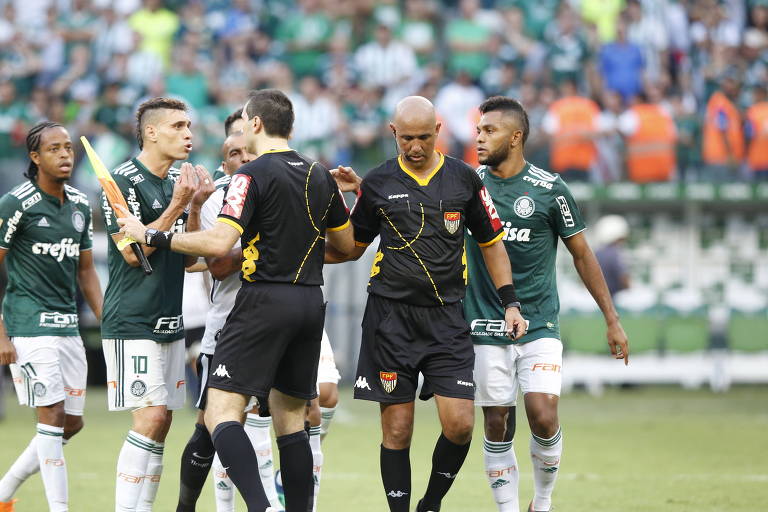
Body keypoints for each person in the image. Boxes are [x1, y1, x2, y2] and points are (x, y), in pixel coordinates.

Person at [118, 88, 353, 512]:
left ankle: (260, 507)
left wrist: (153, 235)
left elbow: (220, 241)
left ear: (256, 125)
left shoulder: (250, 175)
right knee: (292, 422)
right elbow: (348, 243)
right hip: (309, 303)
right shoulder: (319, 173)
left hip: (262, 302)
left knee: (220, 413)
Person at [327, 96, 526, 512]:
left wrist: (511, 303)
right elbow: (351, 247)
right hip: (390, 321)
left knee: (460, 425)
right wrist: (326, 214)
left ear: (438, 130)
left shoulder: (465, 180)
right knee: (397, 431)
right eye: (406, 139)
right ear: (392, 134)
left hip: (447, 320)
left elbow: (492, 245)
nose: (415, 147)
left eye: (423, 137)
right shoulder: (378, 183)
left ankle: (430, 504)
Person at [466, 96, 630, 512]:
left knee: (542, 414)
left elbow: (582, 255)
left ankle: (541, 502)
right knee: (496, 420)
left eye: (489, 131)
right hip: (485, 323)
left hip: (539, 322)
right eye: (478, 130)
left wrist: (612, 320)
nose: (479, 138)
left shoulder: (550, 189)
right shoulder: (470, 186)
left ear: (516, 137)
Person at [100, 97, 214, 512]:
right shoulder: (121, 180)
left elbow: (186, 259)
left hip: (170, 320)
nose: (189, 134)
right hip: (133, 319)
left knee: (162, 422)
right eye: (179, 126)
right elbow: (134, 253)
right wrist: (179, 206)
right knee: (148, 419)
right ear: (151, 132)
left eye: (190, 126)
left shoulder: (173, 185)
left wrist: (195, 207)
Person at [0, 122, 103, 511]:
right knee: (53, 413)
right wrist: (1, 334)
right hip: (28, 325)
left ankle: (2, 493)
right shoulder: (16, 203)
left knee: (71, 423)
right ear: (35, 157)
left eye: (68, 149)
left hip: (67, 326)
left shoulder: (78, 204)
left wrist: (104, 317)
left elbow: (86, 271)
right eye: (55, 149)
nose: (64, 155)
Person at [594, 215, 631, 298]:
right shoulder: (616, 254)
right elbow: (624, 278)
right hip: (613, 297)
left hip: (598, 297)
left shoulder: (596, 253)